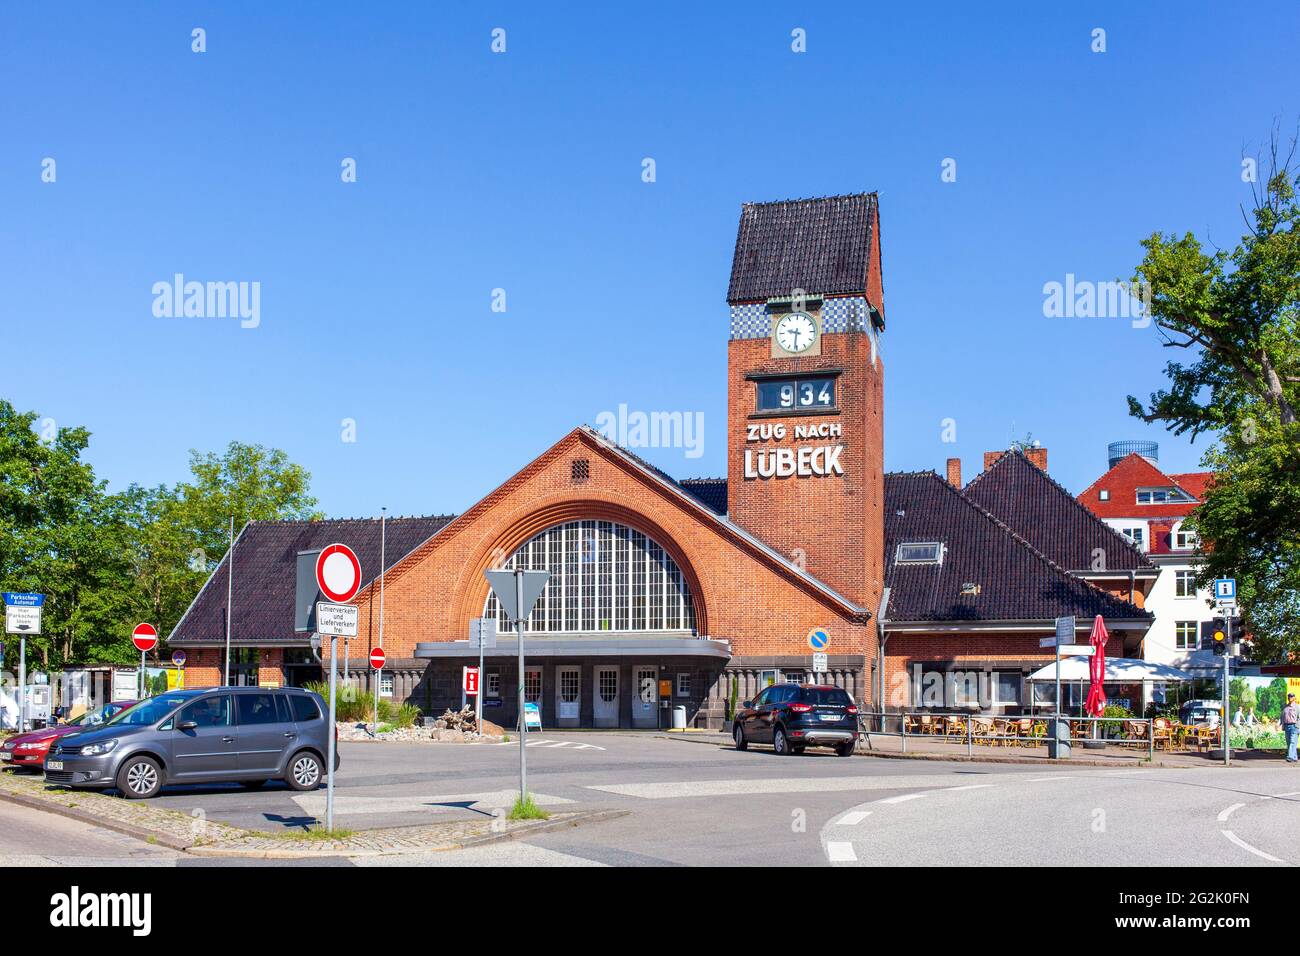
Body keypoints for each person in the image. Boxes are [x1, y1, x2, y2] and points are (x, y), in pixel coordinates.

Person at [1283, 695, 1300, 763]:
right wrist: (1278, 724)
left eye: (1291, 696)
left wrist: (1297, 726)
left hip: (1294, 726)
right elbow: (1282, 717)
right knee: (1289, 742)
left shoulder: (1298, 707)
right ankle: (1295, 757)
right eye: (1289, 696)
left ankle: (1290, 757)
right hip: (1287, 726)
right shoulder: (1285, 707)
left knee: (1292, 742)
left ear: (1294, 698)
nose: (1290, 698)